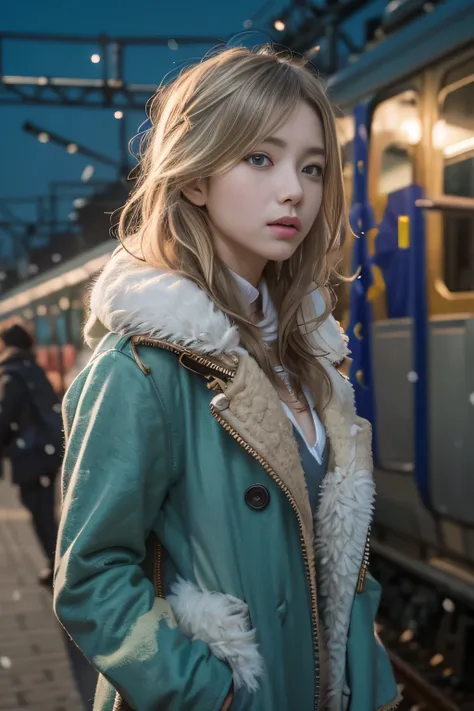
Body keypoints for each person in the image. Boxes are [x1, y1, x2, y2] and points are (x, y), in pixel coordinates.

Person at [53, 46, 399, 711]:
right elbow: (91, 576)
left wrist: (371, 686)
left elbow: (340, 565)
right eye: (260, 158)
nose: (294, 188)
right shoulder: (141, 366)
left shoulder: (310, 356)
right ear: (194, 178)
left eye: (313, 166)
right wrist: (213, 696)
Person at [0, 321, 62, 586]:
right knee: (46, 509)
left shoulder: (11, 374)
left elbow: (4, 418)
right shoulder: (33, 368)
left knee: (40, 512)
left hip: (30, 455)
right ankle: (59, 563)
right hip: (47, 450)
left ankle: (58, 567)